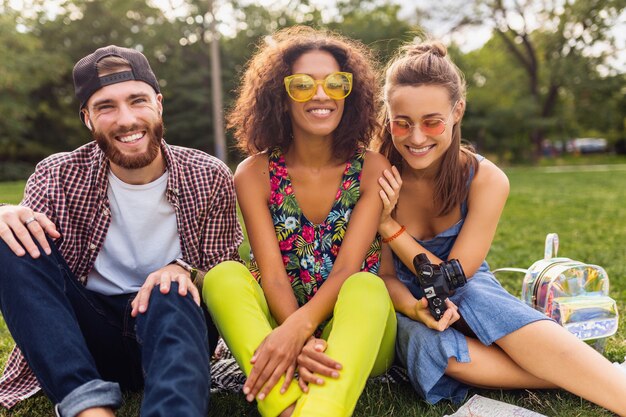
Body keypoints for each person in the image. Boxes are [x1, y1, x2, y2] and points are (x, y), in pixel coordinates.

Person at [374, 40, 626, 415]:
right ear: (388, 115)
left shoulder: (485, 178)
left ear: (457, 111)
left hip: (466, 287)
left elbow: (453, 279)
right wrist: (413, 308)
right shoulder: (375, 173)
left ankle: (612, 390)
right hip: (402, 302)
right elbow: (385, 277)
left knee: (479, 300)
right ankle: (578, 367)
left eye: (432, 122)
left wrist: (388, 226)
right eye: (403, 123)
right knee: (431, 347)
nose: (416, 137)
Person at [0, 45, 243, 417]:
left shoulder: (209, 175)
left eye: (137, 100)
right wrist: (4, 214)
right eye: (106, 107)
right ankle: (89, 407)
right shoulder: (58, 174)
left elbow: (226, 280)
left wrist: (184, 271)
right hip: (87, 338)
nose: (126, 119)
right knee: (10, 236)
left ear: (158, 104)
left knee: (171, 290)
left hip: (173, 329)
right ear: (87, 118)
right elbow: (32, 270)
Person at [202, 26, 396, 417]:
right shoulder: (253, 173)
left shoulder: (372, 169)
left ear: (350, 93)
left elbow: (345, 269)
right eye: (303, 85)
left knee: (367, 285)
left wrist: (300, 332)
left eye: (335, 83)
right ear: (280, 94)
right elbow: (272, 277)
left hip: (357, 330)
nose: (321, 95)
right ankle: (294, 409)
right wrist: (292, 335)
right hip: (278, 326)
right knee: (222, 276)